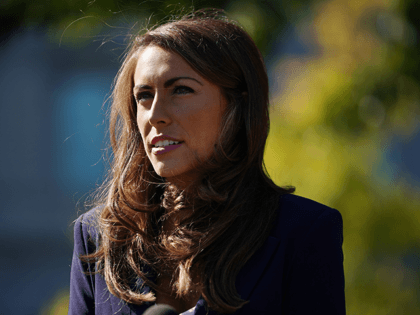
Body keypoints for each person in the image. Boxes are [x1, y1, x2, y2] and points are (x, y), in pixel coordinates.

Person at [68, 9, 345, 315]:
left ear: (237, 105)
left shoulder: (304, 232)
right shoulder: (98, 235)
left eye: (181, 90)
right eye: (144, 95)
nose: (156, 114)